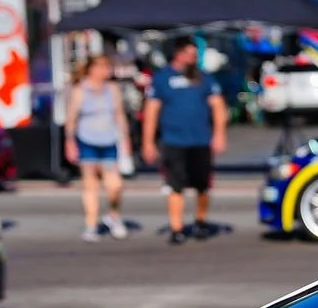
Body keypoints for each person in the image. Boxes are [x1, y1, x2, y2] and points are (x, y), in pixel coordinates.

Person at [142, 36, 228, 245]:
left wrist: (219, 134)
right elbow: (152, 111)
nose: (192, 58)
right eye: (188, 54)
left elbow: (218, 106)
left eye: (194, 55)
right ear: (178, 53)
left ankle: (200, 221)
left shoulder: (204, 78)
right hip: (173, 140)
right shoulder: (162, 78)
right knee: (175, 185)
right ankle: (177, 227)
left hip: (200, 140)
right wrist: (148, 142)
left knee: (202, 186)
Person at [65, 54, 132, 241]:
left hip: (109, 139)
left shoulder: (112, 89)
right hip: (87, 140)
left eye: (107, 67)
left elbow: (119, 115)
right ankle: (91, 224)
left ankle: (113, 215)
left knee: (115, 185)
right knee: (90, 184)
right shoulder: (81, 90)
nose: (106, 71)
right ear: (91, 69)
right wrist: (69, 142)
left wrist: (125, 138)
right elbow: (71, 118)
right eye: (102, 67)